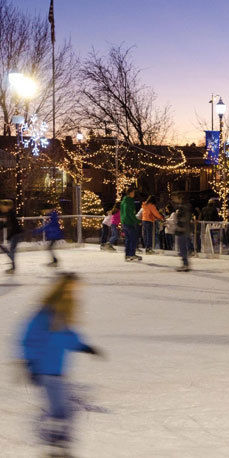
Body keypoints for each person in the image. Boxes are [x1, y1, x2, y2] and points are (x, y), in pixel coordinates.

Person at [18, 272, 102, 452]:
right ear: (61, 290)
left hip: (57, 371)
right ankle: (53, 443)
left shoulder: (61, 316)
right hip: (46, 372)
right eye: (71, 290)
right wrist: (29, 364)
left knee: (62, 410)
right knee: (60, 410)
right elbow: (28, 339)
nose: (74, 295)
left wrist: (84, 347)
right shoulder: (43, 315)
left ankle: (58, 443)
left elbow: (68, 337)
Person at [0, 199, 23, 273]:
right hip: (14, 234)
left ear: (8, 207)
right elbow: (4, 225)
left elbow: (14, 226)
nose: (1, 208)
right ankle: (12, 266)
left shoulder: (11, 214)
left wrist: (10, 235)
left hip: (16, 234)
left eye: (3, 206)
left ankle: (13, 268)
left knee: (11, 251)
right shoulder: (7, 214)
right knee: (10, 251)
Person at [172, 192, 193, 272]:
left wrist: (180, 225)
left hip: (183, 230)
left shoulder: (183, 207)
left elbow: (185, 218)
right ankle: (185, 264)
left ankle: (185, 264)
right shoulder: (182, 207)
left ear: (179, 198)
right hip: (183, 229)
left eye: (175, 198)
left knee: (182, 247)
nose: (174, 199)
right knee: (182, 247)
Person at [120, 187, 141, 262]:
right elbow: (129, 213)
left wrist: (122, 221)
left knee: (128, 239)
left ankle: (128, 254)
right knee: (133, 239)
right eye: (133, 192)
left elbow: (122, 213)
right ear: (130, 193)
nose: (134, 194)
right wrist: (137, 221)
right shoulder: (129, 201)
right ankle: (132, 254)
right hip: (129, 223)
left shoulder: (123, 201)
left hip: (125, 223)